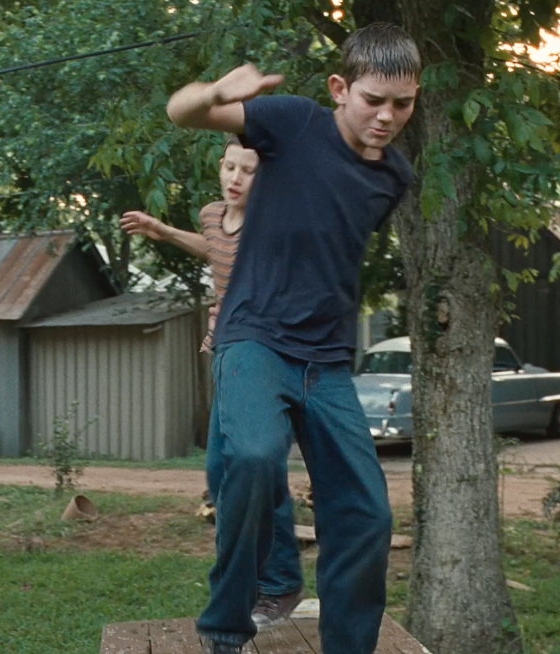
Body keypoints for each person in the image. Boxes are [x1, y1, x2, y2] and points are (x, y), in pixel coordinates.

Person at [165, 22, 422, 654]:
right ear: (339, 88)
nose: (387, 117)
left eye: (403, 104)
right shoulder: (293, 122)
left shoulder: (395, 176)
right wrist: (213, 93)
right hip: (254, 338)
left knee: (367, 512)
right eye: (373, 100)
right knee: (253, 458)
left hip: (327, 361)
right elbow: (181, 112)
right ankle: (226, 627)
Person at [119, 136, 307, 630]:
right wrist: (164, 231)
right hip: (226, 355)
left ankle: (279, 581)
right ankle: (256, 581)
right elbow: (216, 248)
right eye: (229, 167)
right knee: (222, 474)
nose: (235, 178)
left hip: (265, 359)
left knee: (257, 470)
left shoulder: (275, 223)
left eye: (249, 170)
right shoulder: (212, 215)